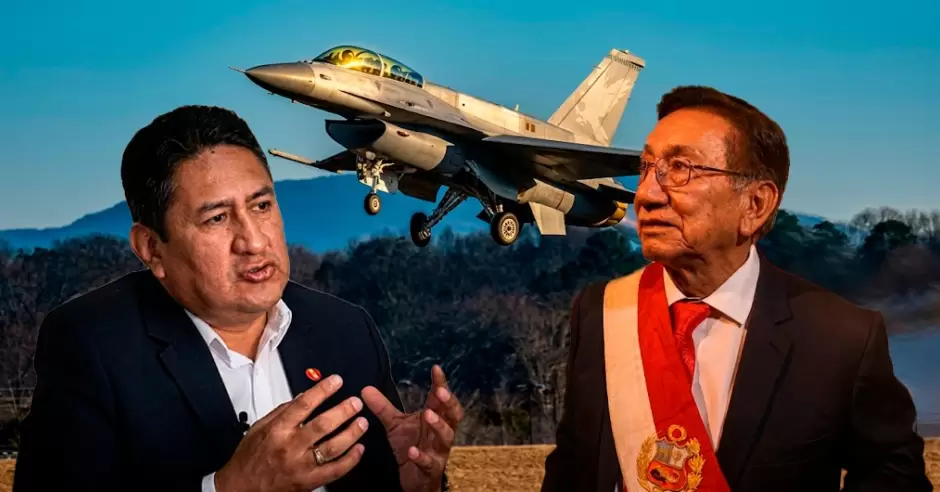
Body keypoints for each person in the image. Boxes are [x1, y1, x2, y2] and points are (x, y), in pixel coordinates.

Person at [13, 105, 463, 492]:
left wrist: (408, 484)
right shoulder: (90, 345)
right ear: (151, 248)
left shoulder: (346, 330)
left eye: (262, 206)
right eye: (217, 218)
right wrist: (231, 486)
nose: (253, 241)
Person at [541, 86, 932, 492]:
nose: (645, 195)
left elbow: (894, 477)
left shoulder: (842, 338)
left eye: (680, 168)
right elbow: (574, 468)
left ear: (755, 205)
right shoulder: (602, 312)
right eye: (646, 168)